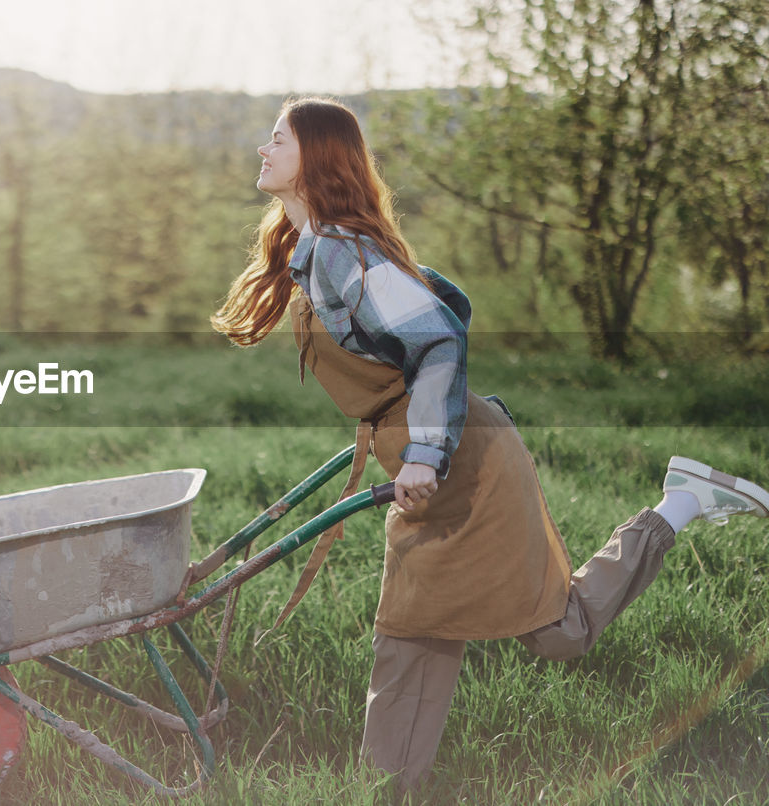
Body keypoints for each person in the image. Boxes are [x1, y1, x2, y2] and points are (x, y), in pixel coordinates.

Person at [211, 96, 769, 793]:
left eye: (278, 141)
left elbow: (440, 334)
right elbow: (445, 304)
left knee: (556, 632)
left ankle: (681, 505)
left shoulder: (341, 252)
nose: (263, 151)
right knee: (412, 630)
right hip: (431, 455)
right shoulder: (316, 248)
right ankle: (385, 789)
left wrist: (422, 452)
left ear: (316, 158)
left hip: (463, 463)